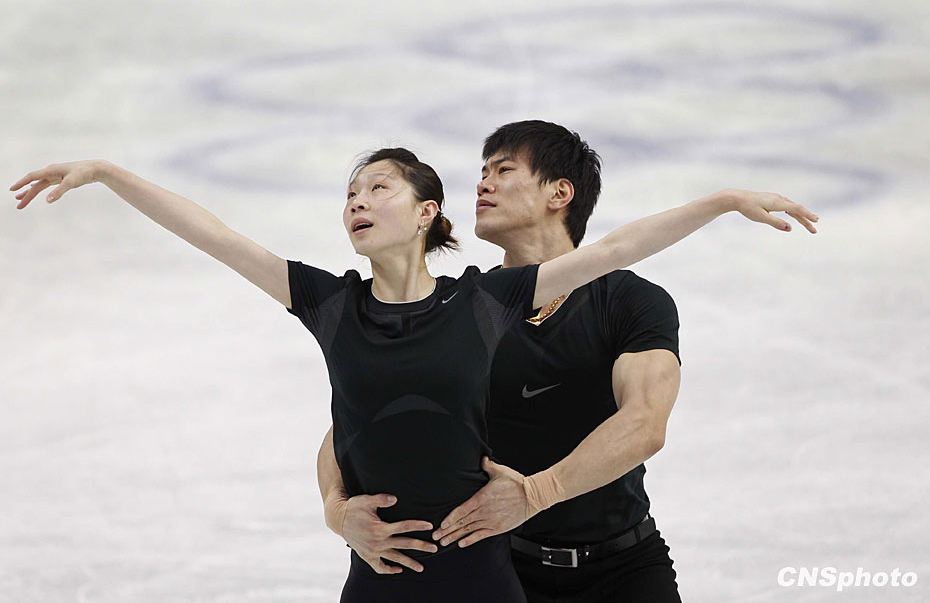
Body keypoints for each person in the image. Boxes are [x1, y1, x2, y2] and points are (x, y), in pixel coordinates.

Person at [9, 151, 817, 602]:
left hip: (485, 579)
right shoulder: (329, 304)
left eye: (378, 187)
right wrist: (109, 174)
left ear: (427, 211)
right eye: (349, 194)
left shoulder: (485, 303)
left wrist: (720, 200)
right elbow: (216, 237)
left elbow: (613, 250)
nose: (357, 202)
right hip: (377, 578)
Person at [315, 122, 819, 602]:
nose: (483, 184)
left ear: (559, 193)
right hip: (504, 568)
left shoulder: (630, 301)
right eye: (483, 172)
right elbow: (357, 423)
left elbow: (644, 424)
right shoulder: (466, 313)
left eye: (503, 170)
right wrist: (337, 510)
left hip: (623, 567)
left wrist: (537, 494)